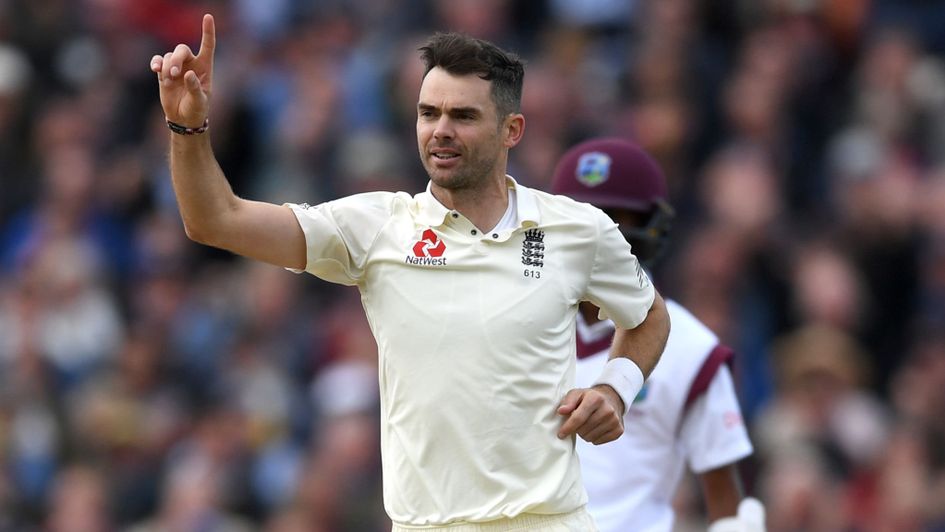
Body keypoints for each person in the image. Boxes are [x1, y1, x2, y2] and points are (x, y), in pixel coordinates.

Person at [150, 15, 671, 531]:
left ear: (512, 130)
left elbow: (648, 316)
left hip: (549, 521)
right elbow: (216, 220)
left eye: (463, 116)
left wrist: (614, 388)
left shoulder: (578, 229)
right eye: (428, 113)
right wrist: (187, 126)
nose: (440, 131)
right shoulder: (376, 226)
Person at [550, 138, 765, 532]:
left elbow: (724, 499)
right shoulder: (511, 320)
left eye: (617, 217)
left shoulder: (691, 349)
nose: (599, 230)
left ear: (652, 225)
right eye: (581, 213)